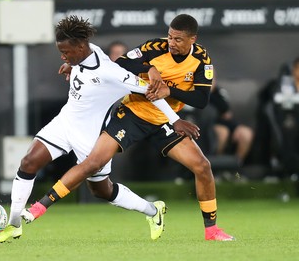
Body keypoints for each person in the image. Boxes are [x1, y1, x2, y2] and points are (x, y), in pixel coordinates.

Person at [21, 14, 235, 241]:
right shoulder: (155, 47)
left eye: (178, 39)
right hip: (131, 115)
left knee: (202, 166)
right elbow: (120, 64)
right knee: (93, 163)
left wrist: (168, 91)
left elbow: (201, 99)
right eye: (170, 36)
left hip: (164, 119)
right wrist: (150, 68)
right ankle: (39, 208)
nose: (171, 42)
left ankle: (211, 230)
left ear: (193, 39)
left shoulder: (202, 59)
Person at [210, 83, 254, 165]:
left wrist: (235, 128)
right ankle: (216, 167)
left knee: (246, 133)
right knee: (223, 132)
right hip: (208, 125)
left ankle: (235, 168)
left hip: (226, 123)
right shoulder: (195, 91)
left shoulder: (219, 92)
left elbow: (226, 113)